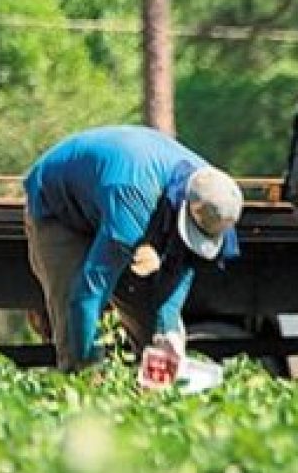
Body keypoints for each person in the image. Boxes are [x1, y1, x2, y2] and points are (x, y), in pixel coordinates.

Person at [23, 124, 243, 372]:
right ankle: (81, 388)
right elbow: (89, 293)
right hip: (58, 204)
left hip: (111, 192)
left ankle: (152, 391)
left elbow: (179, 271)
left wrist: (167, 333)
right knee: (71, 310)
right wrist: (87, 364)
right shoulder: (133, 202)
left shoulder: (214, 198)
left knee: (153, 330)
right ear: (182, 208)